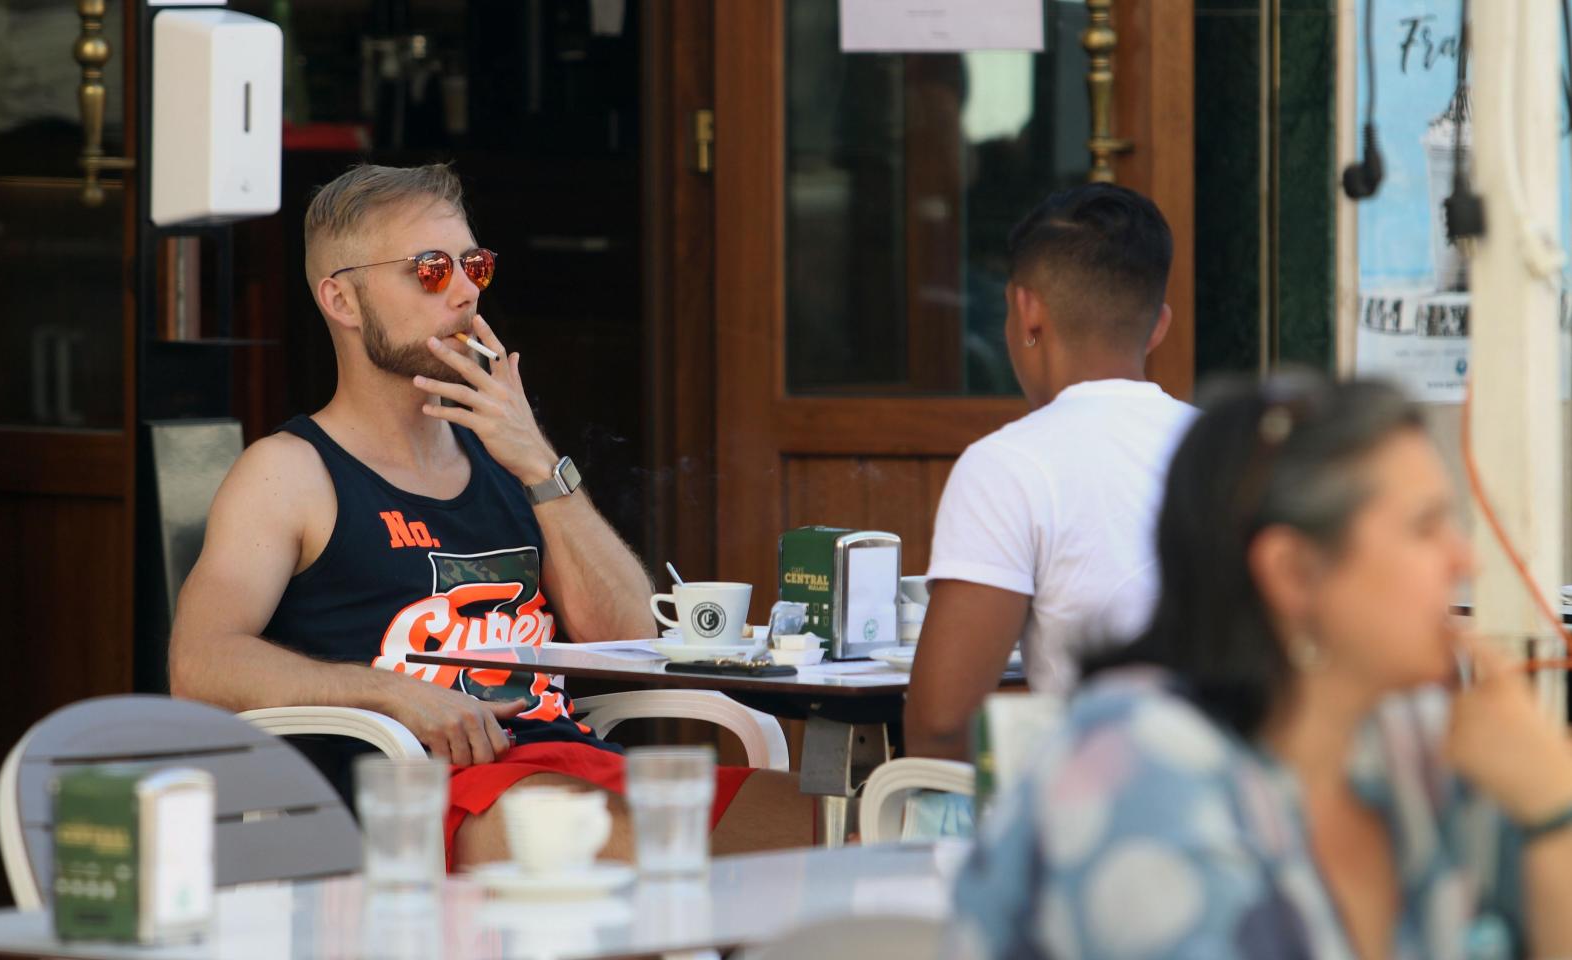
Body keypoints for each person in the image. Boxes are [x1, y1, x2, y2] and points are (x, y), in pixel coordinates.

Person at [169, 162, 809, 869]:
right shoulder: (290, 472)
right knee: (668, 861)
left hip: (568, 768)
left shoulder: (511, 457)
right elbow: (200, 661)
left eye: (473, 265)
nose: (468, 291)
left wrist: (541, 466)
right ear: (342, 300)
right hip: (424, 794)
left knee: (844, 832)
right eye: (431, 270)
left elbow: (629, 640)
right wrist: (391, 693)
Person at [949, 375, 1572, 959]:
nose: (1466, 561)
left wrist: (1552, 802)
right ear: (1294, 573)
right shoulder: (1141, 766)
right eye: (1425, 527)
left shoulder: (1409, 743)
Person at [905, 183, 1196, 761]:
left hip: (1097, 828)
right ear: (1157, 326)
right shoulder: (1222, 446)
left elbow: (940, 726)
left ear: (1026, 311)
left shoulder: (1009, 466)